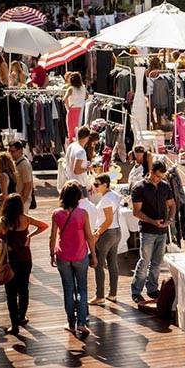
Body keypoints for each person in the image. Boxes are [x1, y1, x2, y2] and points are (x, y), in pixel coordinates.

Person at [0, 194, 49, 335]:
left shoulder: (4, 220)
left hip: (9, 261)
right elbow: (44, 225)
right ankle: (22, 317)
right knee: (24, 289)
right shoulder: (26, 218)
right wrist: (29, 235)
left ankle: (14, 325)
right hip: (25, 259)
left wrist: (2, 243)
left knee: (10, 293)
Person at [50, 181, 97, 334]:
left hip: (63, 256)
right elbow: (89, 237)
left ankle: (71, 323)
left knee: (68, 289)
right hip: (80, 255)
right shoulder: (82, 213)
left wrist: (52, 254)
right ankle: (82, 322)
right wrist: (94, 256)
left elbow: (52, 237)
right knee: (82, 289)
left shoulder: (57, 214)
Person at [130, 161, 176, 303]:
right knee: (145, 261)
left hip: (161, 230)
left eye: (161, 177)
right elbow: (136, 212)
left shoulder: (165, 186)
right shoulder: (139, 188)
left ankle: (152, 288)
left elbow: (172, 204)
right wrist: (152, 221)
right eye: (157, 176)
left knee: (157, 262)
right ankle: (136, 290)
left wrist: (170, 218)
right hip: (148, 230)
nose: (159, 179)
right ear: (151, 171)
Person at [89, 173, 121, 305]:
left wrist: (97, 234)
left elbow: (108, 220)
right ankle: (112, 294)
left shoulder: (106, 199)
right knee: (113, 263)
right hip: (116, 231)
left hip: (107, 233)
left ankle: (100, 296)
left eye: (97, 184)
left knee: (98, 264)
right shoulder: (114, 195)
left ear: (105, 185)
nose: (95, 187)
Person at [64, 126, 92, 191]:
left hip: (71, 182)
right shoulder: (81, 151)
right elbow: (76, 170)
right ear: (87, 137)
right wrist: (89, 168)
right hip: (79, 185)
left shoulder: (72, 146)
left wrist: (85, 163)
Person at [8, 141, 33, 212]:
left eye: (12, 151)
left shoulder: (24, 164)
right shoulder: (16, 162)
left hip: (22, 200)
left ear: (20, 150)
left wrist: (22, 202)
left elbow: (28, 185)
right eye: (9, 151)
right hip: (17, 199)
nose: (10, 154)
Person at [63, 72, 87, 142]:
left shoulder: (71, 89)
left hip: (72, 110)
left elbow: (64, 99)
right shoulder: (83, 88)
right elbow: (87, 96)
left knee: (71, 131)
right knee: (78, 129)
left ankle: (71, 146)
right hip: (81, 109)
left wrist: (68, 107)